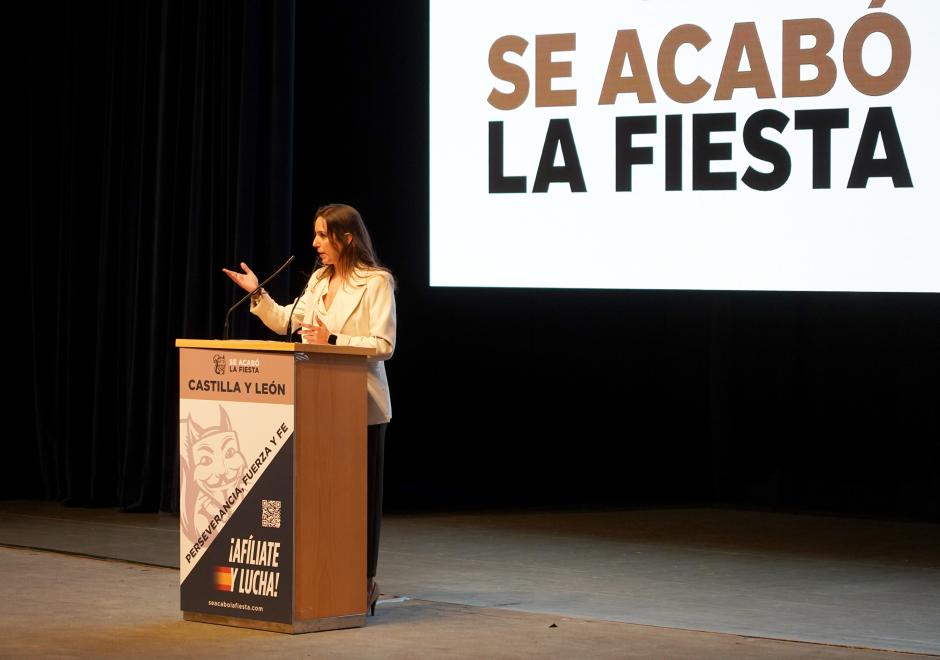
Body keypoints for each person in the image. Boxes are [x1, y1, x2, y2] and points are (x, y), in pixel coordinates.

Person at [222, 203, 396, 616]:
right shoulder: (318, 279)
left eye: (322, 235)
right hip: (316, 405)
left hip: (361, 406)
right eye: (315, 234)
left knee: (360, 500)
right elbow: (286, 322)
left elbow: (384, 346)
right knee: (324, 497)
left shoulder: (376, 282)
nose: (315, 243)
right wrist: (257, 293)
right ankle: (325, 577)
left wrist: (333, 339)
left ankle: (363, 582)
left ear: (346, 238)